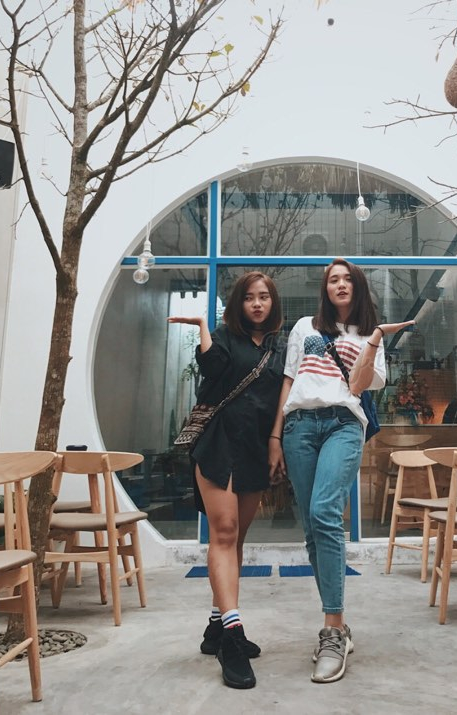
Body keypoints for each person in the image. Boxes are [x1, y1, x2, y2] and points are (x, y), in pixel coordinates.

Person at [268, 258, 413, 684]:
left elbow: (358, 386)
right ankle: (339, 628)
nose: (340, 284)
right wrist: (275, 436)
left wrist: (374, 340)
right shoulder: (304, 327)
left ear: (358, 286)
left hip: (343, 424)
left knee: (325, 514)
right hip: (298, 427)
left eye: (348, 278)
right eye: (333, 279)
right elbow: (289, 381)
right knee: (312, 529)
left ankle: (332, 630)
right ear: (325, 288)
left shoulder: (370, 335)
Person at [168, 271, 286, 690]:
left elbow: (282, 401)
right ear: (239, 303)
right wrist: (203, 327)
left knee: (237, 539)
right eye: (250, 297)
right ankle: (232, 637)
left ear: (273, 303)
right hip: (218, 443)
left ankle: (216, 626)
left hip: (255, 448)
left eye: (264, 297)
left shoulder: (279, 348)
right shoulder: (223, 337)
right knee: (224, 532)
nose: (257, 304)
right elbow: (212, 366)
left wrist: (276, 443)